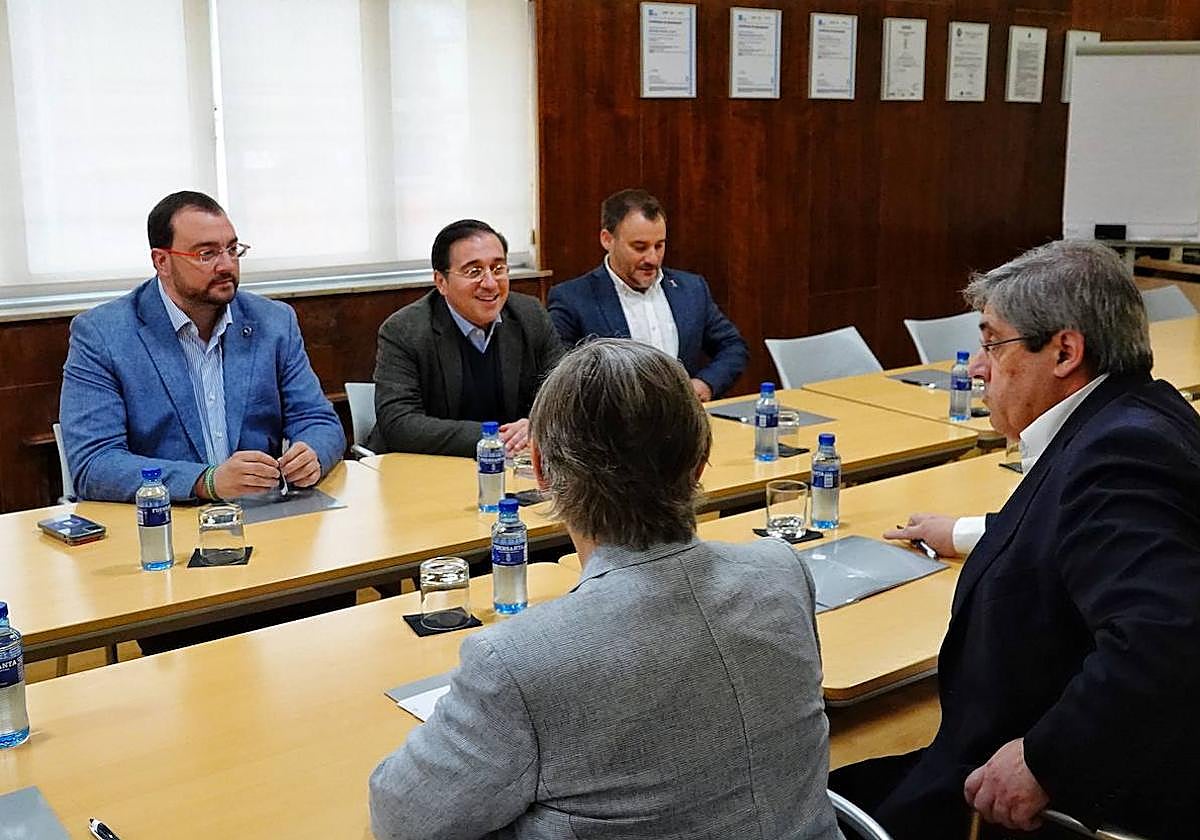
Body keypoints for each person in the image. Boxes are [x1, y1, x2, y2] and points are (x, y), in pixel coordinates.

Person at [369, 339, 841, 840]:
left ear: (541, 469)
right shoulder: (781, 571)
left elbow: (402, 820)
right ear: (701, 462)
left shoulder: (517, 661)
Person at [837, 240, 1200, 839]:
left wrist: (1044, 759)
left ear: (1064, 352)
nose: (975, 368)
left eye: (992, 343)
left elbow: (1164, 635)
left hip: (1044, 789)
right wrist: (964, 531)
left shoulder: (1119, 454)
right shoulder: (1137, 414)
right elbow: (1071, 531)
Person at [60, 190, 345, 503]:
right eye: (206, 254)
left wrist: (312, 453)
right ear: (162, 261)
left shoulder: (273, 322)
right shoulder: (103, 335)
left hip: (261, 511)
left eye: (232, 249)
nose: (226, 265)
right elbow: (95, 464)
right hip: (164, 517)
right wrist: (205, 481)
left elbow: (319, 421)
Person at [368, 219, 563, 457]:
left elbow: (565, 396)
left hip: (513, 464)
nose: (490, 283)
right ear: (441, 282)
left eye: (498, 268)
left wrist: (536, 426)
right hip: (428, 466)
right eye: (474, 271)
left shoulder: (530, 315)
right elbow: (399, 423)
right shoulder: (405, 330)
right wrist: (493, 438)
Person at [547, 188, 748, 400]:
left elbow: (733, 346)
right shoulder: (573, 299)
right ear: (607, 240)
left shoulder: (691, 290)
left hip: (684, 415)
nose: (652, 258)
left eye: (659, 246)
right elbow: (560, 377)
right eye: (639, 247)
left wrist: (706, 383)